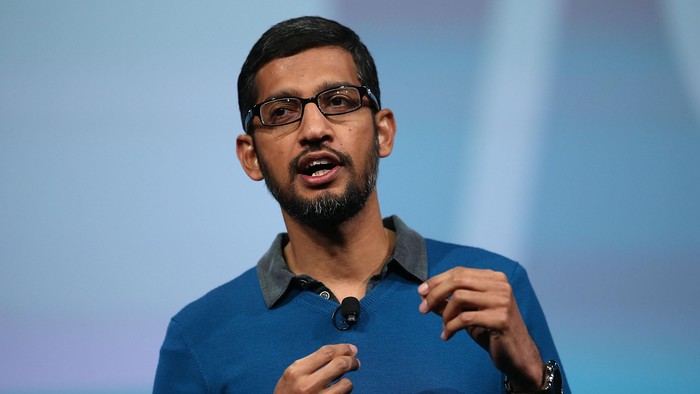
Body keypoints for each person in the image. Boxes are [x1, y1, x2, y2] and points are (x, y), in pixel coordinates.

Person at [154, 16, 569, 393]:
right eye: (281, 112)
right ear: (250, 157)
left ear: (383, 132)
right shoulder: (198, 338)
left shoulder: (495, 289)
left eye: (338, 101)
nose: (314, 129)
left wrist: (533, 377)